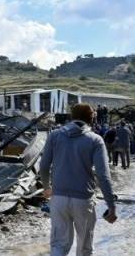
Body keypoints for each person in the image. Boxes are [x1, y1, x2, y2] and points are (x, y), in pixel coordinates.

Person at [40, 104, 117, 256]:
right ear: (92, 119)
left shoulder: (54, 135)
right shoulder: (95, 140)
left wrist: (46, 187)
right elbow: (103, 175)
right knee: (84, 248)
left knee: (58, 245)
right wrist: (111, 206)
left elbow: (43, 166)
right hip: (83, 199)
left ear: (72, 116)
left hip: (58, 198)